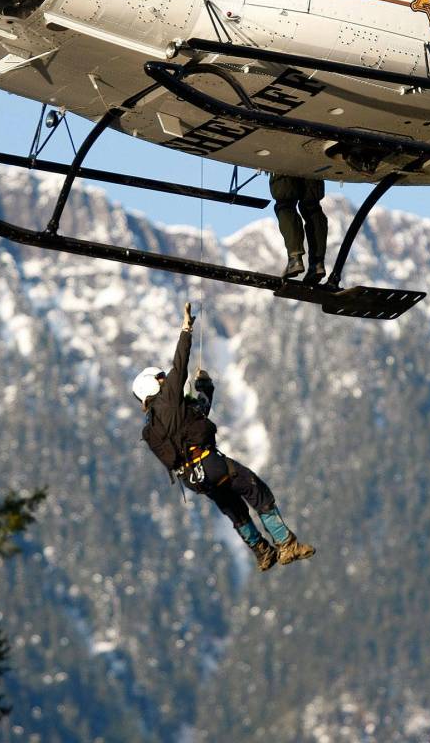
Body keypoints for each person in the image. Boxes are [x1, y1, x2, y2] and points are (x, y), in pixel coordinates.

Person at [133, 303, 315, 572]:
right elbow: (180, 363)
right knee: (255, 489)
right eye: (161, 378)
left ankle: (262, 552)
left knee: (234, 508)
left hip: (194, 479)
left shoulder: (151, 428)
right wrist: (186, 328)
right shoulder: (169, 400)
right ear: (153, 384)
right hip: (210, 463)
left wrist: (205, 390)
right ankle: (286, 544)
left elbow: (193, 422)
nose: (165, 380)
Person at [269, 173, 328, 283]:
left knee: (285, 203)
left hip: (286, 161)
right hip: (315, 162)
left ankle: (295, 259)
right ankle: (317, 263)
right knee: (312, 207)